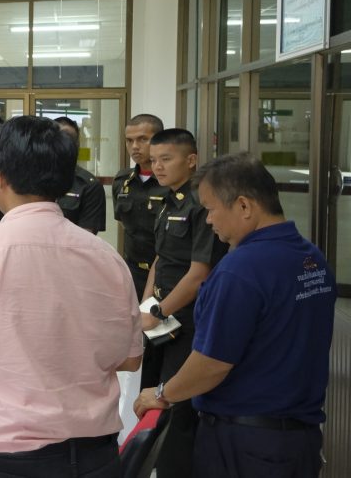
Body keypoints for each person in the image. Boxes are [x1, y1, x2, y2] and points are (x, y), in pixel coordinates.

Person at [0, 115, 143, 478]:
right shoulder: (108, 258)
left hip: (6, 461)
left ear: (0, 177)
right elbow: (130, 359)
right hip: (96, 457)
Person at [135, 153, 335, 477]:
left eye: (211, 209)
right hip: (299, 440)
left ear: (244, 206)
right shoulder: (310, 258)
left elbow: (212, 364)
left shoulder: (240, 270)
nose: (208, 220)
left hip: (245, 444)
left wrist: (161, 394)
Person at [141, 128, 228, 478]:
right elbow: (160, 259)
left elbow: (199, 274)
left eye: (166, 159)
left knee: (177, 405)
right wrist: (146, 305)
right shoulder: (169, 201)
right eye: (154, 160)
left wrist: (159, 311)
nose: (158, 167)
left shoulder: (201, 204)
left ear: (191, 160)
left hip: (188, 319)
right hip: (161, 318)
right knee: (152, 392)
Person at [113, 114, 168, 298]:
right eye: (129, 140)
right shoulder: (122, 181)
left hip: (167, 272)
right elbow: (124, 224)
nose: (135, 146)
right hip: (132, 271)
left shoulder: (171, 182)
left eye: (143, 139)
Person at [53, 116, 107, 235]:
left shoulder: (89, 185)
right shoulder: (33, 178)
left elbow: (87, 236)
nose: (62, 143)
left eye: (68, 137)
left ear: (77, 144)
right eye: (57, 138)